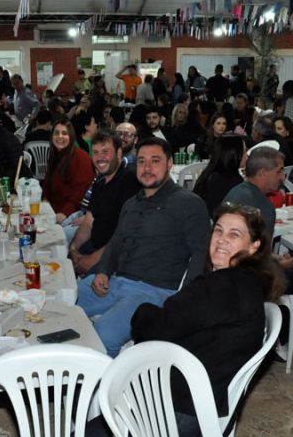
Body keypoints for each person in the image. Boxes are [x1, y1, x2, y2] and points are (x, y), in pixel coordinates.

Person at [85, 203, 285, 437]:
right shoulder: (244, 283)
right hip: (189, 402)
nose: (222, 239)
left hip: (176, 415)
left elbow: (158, 329)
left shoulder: (223, 288)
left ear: (253, 246)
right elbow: (178, 321)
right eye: (218, 230)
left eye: (234, 234)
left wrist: (141, 311)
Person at [77, 137, 210, 356]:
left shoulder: (188, 203)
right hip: (116, 282)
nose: (147, 168)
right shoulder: (131, 203)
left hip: (155, 292)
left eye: (155, 161)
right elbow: (116, 243)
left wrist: (181, 305)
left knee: (104, 334)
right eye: (141, 161)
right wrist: (103, 271)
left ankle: (107, 378)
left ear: (169, 164)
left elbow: (201, 255)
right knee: (63, 309)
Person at [69, 130, 141, 275]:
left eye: (105, 152)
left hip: (118, 257)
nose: (99, 158)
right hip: (95, 247)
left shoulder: (131, 179)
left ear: (119, 153)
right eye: (95, 152)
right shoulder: (99, 183)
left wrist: (93, 259)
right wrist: (73, 248)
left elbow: (128, 233)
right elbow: (89, 221)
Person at [42, 119, 95, 223]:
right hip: (52, 210)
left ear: (71, 137)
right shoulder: (55, 155)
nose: (60, 136)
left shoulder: (81, 158)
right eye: (56, 133)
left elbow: (82, 192)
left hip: (72, 214)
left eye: (64, 133)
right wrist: (44, 200)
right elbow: (47, 184)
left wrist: (64, 213)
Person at [225, 146, 285, 236]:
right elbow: (262, 245)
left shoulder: (236, 191)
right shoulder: (263, 207)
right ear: (262, 173)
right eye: (279, 171)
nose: (283, 176)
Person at [193, 135, 246, 216]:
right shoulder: (231, 181)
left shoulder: (208, 174)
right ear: (234, 154)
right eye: (244, 151)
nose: (247, 155)